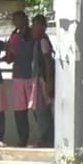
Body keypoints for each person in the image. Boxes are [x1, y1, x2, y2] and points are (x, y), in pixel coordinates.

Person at [5, 10, 35, 148]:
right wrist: (7, 50)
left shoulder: (33, 34)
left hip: (31, 76)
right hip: (18, 76)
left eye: (17, 19)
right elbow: (9, 60)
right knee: (19, 110)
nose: (14, 22)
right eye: (13, 20)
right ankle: (23, 139)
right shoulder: (14, 37)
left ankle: (45, 137)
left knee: (36, 108)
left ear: (24, 19)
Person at [29, 15, 55, 148]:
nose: (32, 28)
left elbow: (47, 62)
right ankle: (46, 138)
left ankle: (44, 139)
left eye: (35, 25)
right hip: (38, 79)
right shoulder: (38, 41)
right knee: (38, 110)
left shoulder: (43, 41)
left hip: (42, 81)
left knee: (42, 110)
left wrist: (49, 82)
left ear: (42, 27)